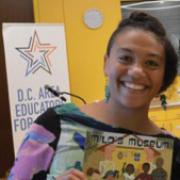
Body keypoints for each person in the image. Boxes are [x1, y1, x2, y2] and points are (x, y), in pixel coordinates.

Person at [8, 11, 180, 180]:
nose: (136, 71)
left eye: (151, 63)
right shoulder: (55, 125)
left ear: (165, 75)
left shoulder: (173, 152)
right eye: (125, 58)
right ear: (106, 63)